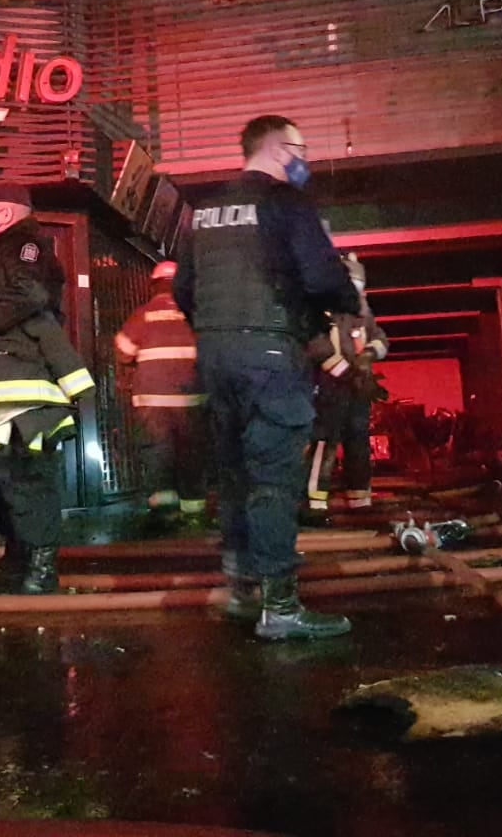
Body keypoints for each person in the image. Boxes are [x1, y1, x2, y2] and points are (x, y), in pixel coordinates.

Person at [175, 115, 360, 641]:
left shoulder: (203, 210)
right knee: (273, 482)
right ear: (281, 150)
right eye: (301, 149)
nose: (305, 160)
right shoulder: (286, 203)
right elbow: (322, 277)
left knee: (233, 475)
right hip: (272, 353)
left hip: (216, 353)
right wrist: (346, 299)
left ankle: (242, 590)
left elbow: (184, 289)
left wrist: (217, 333)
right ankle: (281, 607)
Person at [0, 182, 94, 594]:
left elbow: (30, 293)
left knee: (28, 475)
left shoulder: (24, 247)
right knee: (6, 477)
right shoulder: (3, 254)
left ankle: (40, 565)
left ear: (8, 214)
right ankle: (21, 558)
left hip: (26, 385)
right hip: (2, 384)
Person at [114, 261, 209, 525]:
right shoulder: (196, 315)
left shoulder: (143, 314)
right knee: (191, 453)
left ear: (154, 285)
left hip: (151, 402)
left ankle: (165, 515)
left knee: (159, 453)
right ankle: (194, 514)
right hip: (191, 400)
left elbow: (123, 351)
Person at [303, 252, 388, 517]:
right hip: (330, 388)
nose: (358, 296)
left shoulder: (364, 312)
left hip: (358, 389)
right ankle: (314, 503)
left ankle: (360, 501)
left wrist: (369, 356)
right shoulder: (322, 311)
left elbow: (380, 338)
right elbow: (316, 346)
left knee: (358, 441)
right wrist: (347, 373)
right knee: (324, 443)